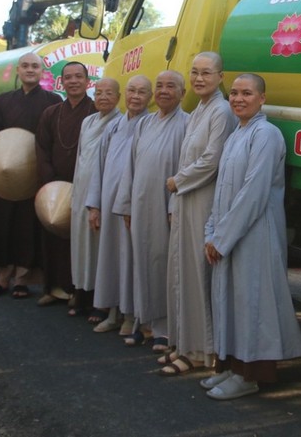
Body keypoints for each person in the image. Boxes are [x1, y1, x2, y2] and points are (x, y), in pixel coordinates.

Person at [201, 73, 301, 400]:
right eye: (233, 93)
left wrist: (222, 238)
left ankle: (250, 375)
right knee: (232, 301)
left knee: (251, 303)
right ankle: (232, 367)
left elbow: (254, 193)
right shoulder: (237, 134)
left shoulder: (266, 134)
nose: (238, 98)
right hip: (230, 233)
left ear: (262, 98)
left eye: (247, 93)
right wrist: (211, 231)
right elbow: (221, 191)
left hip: (255, 234)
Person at [163, 52, 236, 373]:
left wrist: (177, 181)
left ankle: (202, 352)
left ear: (221, 77)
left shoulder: (221, 111)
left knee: (197, 273)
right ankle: (184, 343)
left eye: (206, 73)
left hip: (203, 197)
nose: (199, 78)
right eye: (194, 72)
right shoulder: (198, 111)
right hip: (184, 197)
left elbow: (212, 159)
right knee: (182, 270)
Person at [114, 71, 188, 354]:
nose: (164, 91)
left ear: (182, 93)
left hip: (164, 205)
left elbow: (184, 170)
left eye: (172, 86)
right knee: (139, 261)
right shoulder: (145, 123)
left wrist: (174, 206)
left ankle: (163, 328)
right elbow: (130, 167)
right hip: (140, 205)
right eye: (160, 86)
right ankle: (141, 321)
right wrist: (126, 205)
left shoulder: (187, 124)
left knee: (162, 264)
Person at [0, 52, 61, 299]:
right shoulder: (4, 101)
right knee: (2, 226)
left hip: (35, 174)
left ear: (42, 72)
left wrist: (47, 172)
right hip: (4, 172)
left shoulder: (52, 101)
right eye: (25, 66)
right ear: (18, 70)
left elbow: (53, 140)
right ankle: (2, 278)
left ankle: (22, 279)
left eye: (34, 66)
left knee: (28, 228)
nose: (30, 70)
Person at [87, 75, 152, 334]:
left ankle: (131, 316)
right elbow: (98, 167)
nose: (136, 97)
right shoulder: (114, 126)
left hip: (133, 207)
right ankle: (112, 312)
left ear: (151, 98)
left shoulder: (150, 125)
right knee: (111, 259)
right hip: (108, 202)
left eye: (142, 92)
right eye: (132, 91)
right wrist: (94, 205)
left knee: (131, 260)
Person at [35, 61, 96, 306]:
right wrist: (49, 181)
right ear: (61, 83)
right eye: (68, 77)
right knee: (53, 235)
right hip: (55, 186)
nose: (73, 81)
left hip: (84, 188)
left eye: (78, 77)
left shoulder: (95, 112)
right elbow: (41, 147)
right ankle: (53, 287)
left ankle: (77, 291)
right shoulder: (51, 113)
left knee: (80, 241)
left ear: (87, 81)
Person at [70, 77, 121, 321]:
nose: (102, 97)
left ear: (118, 97)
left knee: (100, 248)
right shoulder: (88, 122)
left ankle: (99, 300)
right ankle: (80, 291)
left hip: (102, 193)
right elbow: (81, 159)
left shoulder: (121, 123)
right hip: (81, 190)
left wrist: (97, 201)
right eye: (98, 92)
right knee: (80, 244)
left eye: (108, 93)